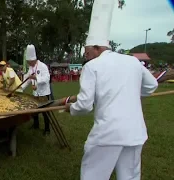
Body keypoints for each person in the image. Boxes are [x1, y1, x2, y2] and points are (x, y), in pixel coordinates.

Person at [58, 0, 159, 179]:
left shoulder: (92, 67)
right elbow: (152, 85)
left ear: (97, 48)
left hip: (108, 134)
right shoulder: (132, 60)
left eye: (87, 52)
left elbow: (85, 105)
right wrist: (132, 94)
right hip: (135, 132)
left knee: (93, 176)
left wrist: (69, 108)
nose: (86, 56)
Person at [22, 44, 51, 135]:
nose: (28, 63)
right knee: (35, 111)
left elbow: (47, 79)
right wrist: (20, 88)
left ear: (33, 59)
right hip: (35, 93)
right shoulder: (30, 68)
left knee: (45, 112)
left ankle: (47, 129)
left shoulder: (43, 66)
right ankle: (36, 125)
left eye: (28, 61)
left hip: (43, 93)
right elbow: (27, 80)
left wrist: (36, 78)